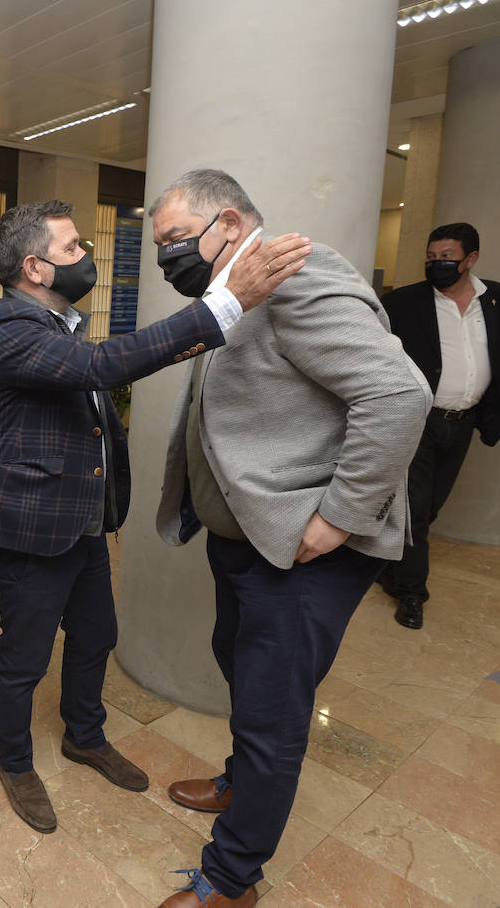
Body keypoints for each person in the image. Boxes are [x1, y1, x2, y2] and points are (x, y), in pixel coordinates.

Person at [0, 198, 309, 836]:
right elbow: (104, 367)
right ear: (35, 268)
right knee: (23, 658)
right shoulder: (8, 329)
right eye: (72, 249)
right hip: (29, 528)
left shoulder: (60, 322)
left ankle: (84, 735)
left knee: (96, 635)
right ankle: (16, 764)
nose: (87, 259)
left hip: (82, 521)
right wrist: (225, 303)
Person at [150, 169, 431, 908]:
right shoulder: (234, 289)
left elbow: (400, 394)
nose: (167, 258)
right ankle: (242, 784)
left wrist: (338, 516)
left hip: (302, 550)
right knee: (241, 670)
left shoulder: (297, 278)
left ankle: (231, 876)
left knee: (275, 713)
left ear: (232, 224)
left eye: (177, 240)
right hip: (246, 538)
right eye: (161, 247)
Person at [379, 223, 500, 629]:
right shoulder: (405, 302)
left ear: (470, 259)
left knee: (430, 507)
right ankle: (411, 594)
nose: (436, 264)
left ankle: (388, 569)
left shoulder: (496, 297)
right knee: (416, 511)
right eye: (431, 257)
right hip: (419, 420)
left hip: (463, 422)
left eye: (445, 257)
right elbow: (377, 348)